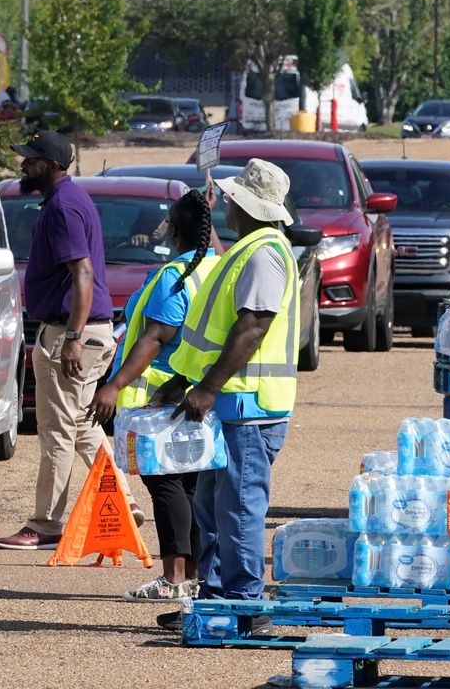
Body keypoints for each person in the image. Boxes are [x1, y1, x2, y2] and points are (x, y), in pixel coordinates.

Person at [149, 158, 300, 633]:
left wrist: (208, 387)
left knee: (237, 509)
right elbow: (216, 330)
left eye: (233, 199)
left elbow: (252, 326)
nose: (227, 206)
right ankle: (215, 601)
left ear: (247, 205)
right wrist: (185, 379)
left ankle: (245, 605)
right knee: (213, 508)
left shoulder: (263, 253)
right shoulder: (249, 249)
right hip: (231, 405)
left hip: (248, 406)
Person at [0, 131, 129, 551]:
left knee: (56, 431)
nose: (23, 165)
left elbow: (82, 273)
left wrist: (71, 337)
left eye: (31, 159)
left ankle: (46, 525)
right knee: (81, 423)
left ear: (51, 166)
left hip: (72, 334)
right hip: (81, 331)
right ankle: (124, 502)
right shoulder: (67, 199)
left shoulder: (63, 207)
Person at [86, 189, 220, 602]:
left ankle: (173, 578)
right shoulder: (216, 268)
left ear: (174, 231)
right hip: (202, 390)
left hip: (163, 396)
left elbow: (155, 336)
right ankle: (193, 575)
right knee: (191, 485)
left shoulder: (174, 276)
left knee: (166, 485)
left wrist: (114, 385)